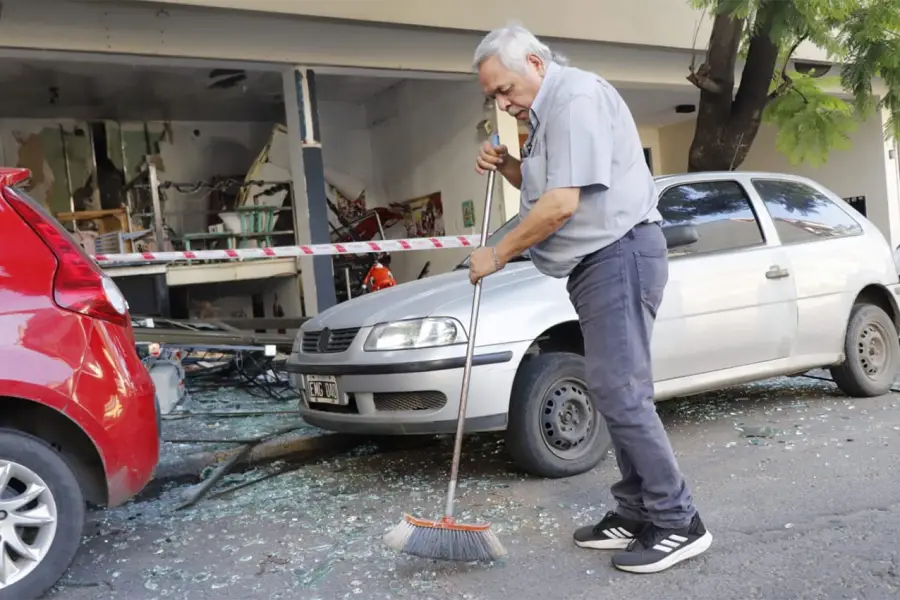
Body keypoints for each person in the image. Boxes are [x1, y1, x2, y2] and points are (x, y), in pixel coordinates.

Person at [467, 22, 712, 574]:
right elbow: (547, 182)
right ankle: (635, 509)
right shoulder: (548, 111)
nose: (502, 103)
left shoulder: (574, 97)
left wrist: (497, 253)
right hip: (599, 261)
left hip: (618, 254)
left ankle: (678, 521)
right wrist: (507, 165)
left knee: (619, 391)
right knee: (616, 389)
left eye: (504, 89)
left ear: (534, 63)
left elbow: (559, 205)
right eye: (493, 97)